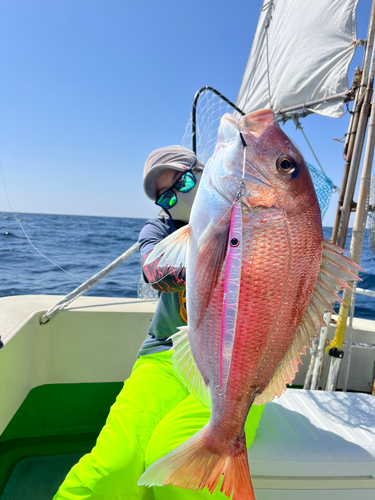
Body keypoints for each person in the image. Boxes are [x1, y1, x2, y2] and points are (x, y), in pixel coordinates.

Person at [53, 146, 264, 500]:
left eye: (182, 181)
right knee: (111, 468)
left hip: (240, 364)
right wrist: (212, 256)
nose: (177, 196)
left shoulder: (253, 214)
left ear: (204, 172)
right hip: (164, 355)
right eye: (166, 197)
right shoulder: (160, 228)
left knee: (187, 481)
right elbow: (155, 270)